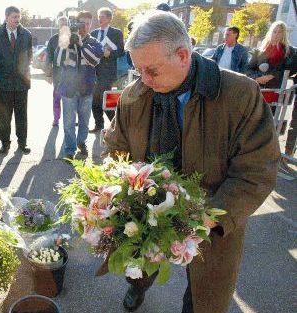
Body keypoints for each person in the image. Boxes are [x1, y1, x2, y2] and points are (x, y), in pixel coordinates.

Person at [103, 11, 280, 313]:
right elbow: (114, 148)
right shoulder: (136, 94)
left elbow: (257, 170)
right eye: (138, 70)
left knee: (203, 297)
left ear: (183, 55)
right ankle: (138, 285)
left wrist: (205, 221)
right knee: (143, 261)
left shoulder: (240, 94)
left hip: (211, 219)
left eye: (152, 71)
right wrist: (114, 185)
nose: (144, 80)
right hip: (146, 211)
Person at [57, 11, 103, 160]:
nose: (85, 26)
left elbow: (95, 60)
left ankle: (81, 142)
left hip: (87, 88)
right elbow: (58, 61)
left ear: (91, 25)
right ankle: (69, 150)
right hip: (68, 88)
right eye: (82, 23)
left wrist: (81, 45)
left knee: (84, 121)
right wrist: (69, 43)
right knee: (69, 122)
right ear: (76, 23)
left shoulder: (94, 42)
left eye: (88, 23)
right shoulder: (65, 40)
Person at [0, 6, 33, 155]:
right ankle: (5, 144)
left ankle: (22, 143)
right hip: (4, 84)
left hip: (21, 84)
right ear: (7, 17)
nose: (17, 20)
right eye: (14, 17)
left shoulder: (26, 34)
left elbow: (29, 56)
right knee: (4, 117)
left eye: (18, 17)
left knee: (22, 116)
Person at [89, 7, 124, 133]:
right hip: (94, 72)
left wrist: (110, 54)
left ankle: (115, 126)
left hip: (108, 73)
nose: (99, 19)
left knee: (106, 99)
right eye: (98, 17)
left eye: (102, 17)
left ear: (109, 19)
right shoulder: (93, 33)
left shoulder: (116, 33)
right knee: (94, 99)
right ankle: (99, 125)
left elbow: (121, 51)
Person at [246, 21, 296, 103]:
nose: (276, 34)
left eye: (280, 32)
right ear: (270, 32)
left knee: (269, 115)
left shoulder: (289, 51)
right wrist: (257, 78)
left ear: (284, 34)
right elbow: (248, 68)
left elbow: (290, 70)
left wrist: (272, 75)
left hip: (274, 91)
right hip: (256, 90)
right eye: (274, 31)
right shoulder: (260, 50)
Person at [45, 16, 69, 127]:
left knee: (71, 98)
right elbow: (49, 57)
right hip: (57, 74)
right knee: (57, 97)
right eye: (61, 24)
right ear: (58, 26)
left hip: (71, 74)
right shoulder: (53, 39)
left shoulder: (73, 37)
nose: (63, 26)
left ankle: (71, 119)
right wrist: (48, 74)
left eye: (65, 24)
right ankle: (56, 118)